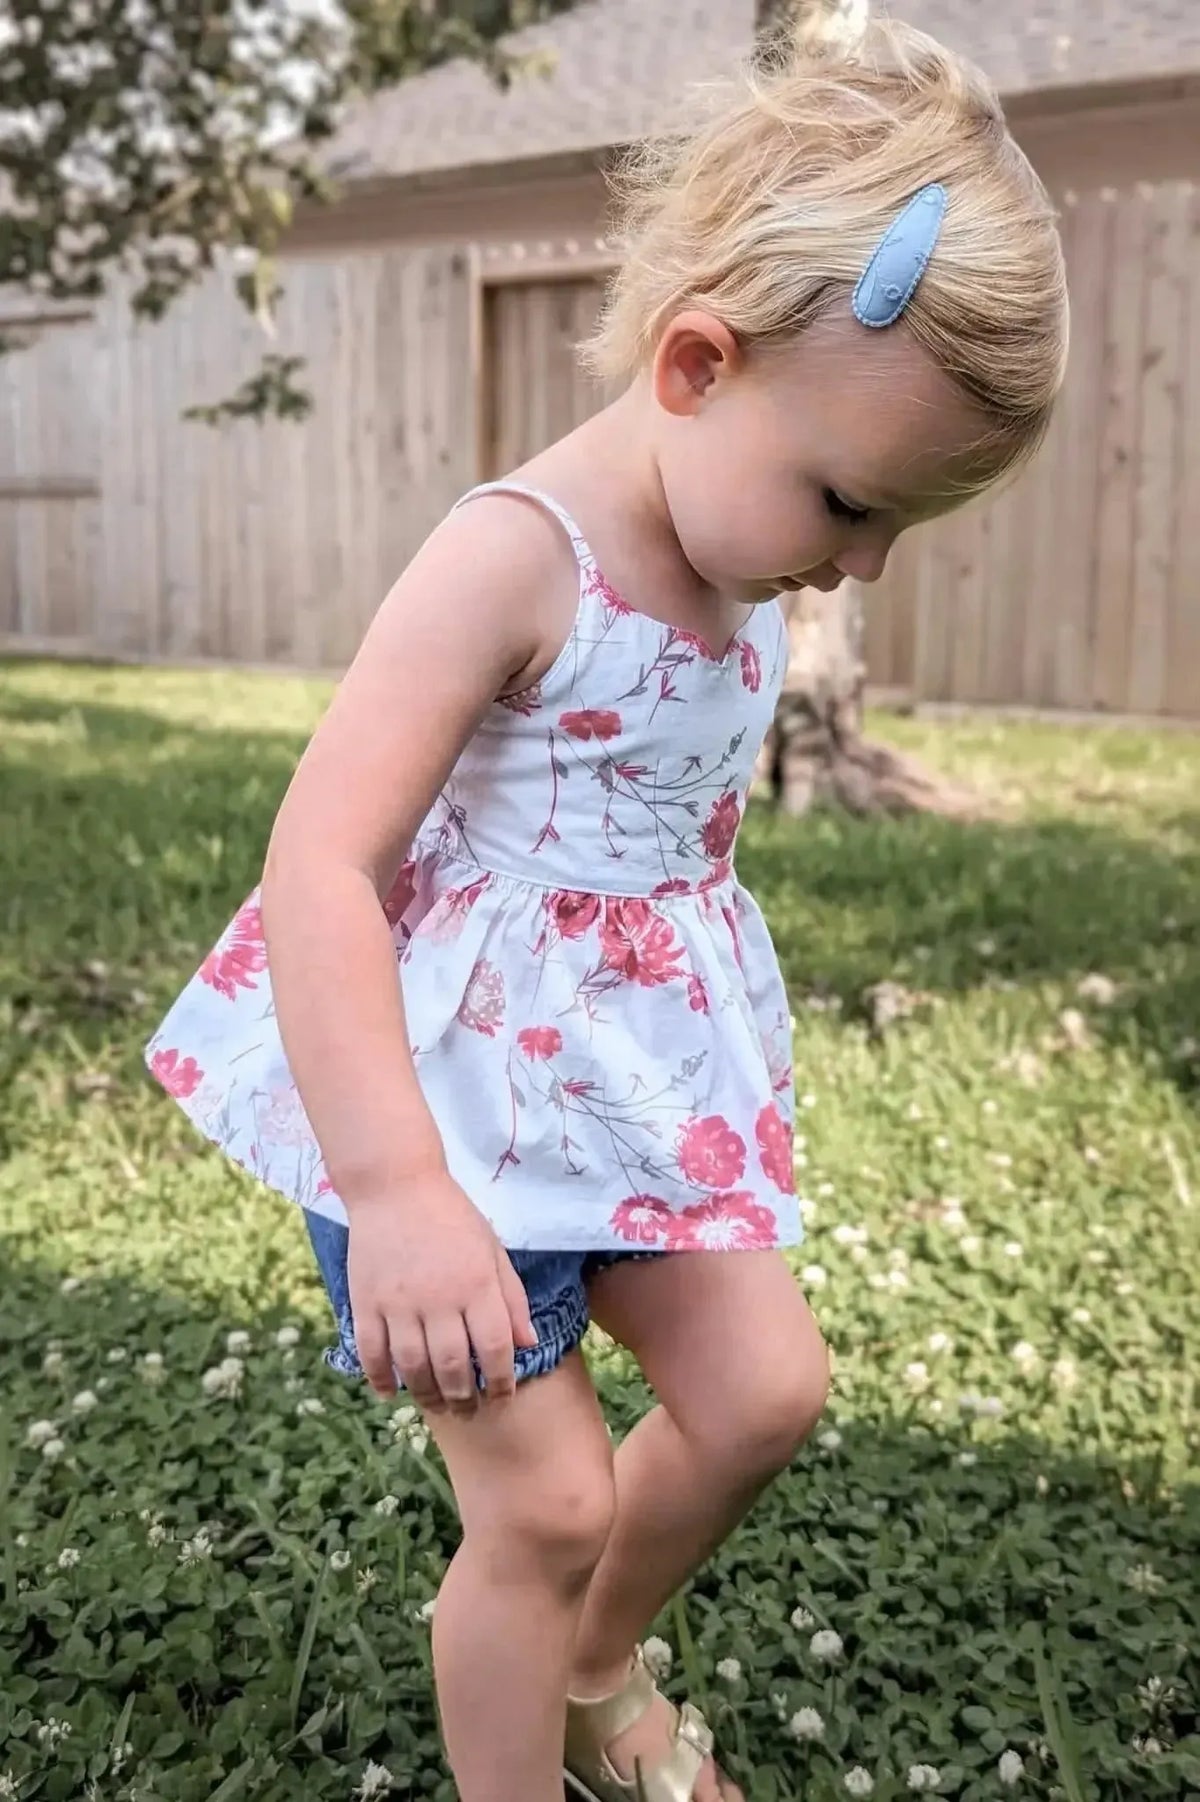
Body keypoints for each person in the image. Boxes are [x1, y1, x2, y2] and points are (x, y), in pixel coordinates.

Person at [147, 11, 1067, 1800]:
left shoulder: (740, 541)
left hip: (623, 1098)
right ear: (698, 359)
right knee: (549, 1498)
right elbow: (318, 860)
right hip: (438, 1122)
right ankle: (533, 1696)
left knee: (762, 1395)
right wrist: (401, 1196)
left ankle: (590, 1658)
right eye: (852, 504)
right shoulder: (512, 555)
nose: (860, 562)